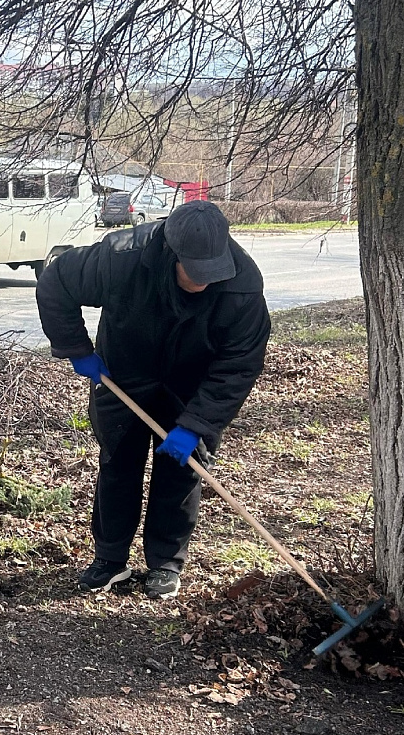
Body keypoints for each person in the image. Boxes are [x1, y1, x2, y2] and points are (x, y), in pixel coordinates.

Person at [36, 200, 270, 599]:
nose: (204, 283)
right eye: (195, 273)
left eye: (211, 273)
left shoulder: (241, 287)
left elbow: (239, 365)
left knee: (182, 471)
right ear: (172, 253)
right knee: (118, 464)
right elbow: (57, 282)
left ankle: (165, 563)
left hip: (193, 387)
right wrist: (75, 347)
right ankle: (110, 559)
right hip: (123, 376)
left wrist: (196, 424)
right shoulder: (121, 258)